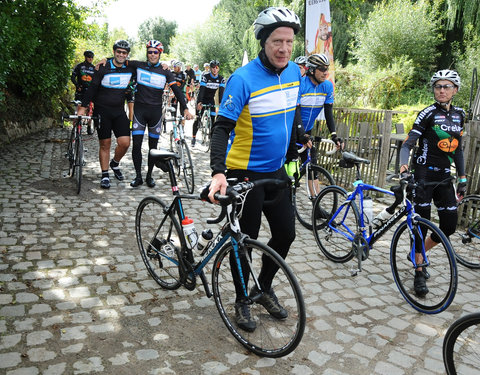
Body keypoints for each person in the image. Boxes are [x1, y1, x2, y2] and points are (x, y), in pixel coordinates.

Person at [207, 7, 302, 332]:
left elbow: (293, 115)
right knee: (244, 241)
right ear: (264, 41)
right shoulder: (243, 78)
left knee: (286, 234)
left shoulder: (294, 73)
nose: (284, 49)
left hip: (276, 173)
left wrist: (294, 155)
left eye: (289, 42)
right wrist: (218, 171)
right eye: (278, 41)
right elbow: (220, 129)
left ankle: (261, 288)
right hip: (243, 174)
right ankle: (241, 300)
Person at [399, 69, 466, 296]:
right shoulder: (427, 113)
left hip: (445, 177)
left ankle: (417, 254)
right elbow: (408, 144)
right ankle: (419, 269)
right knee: (421, 224)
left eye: (447, 86)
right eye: (438, 86)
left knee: (449, 226)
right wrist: (404, 167)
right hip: (424, 176)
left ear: (455, 90)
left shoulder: (459, 115)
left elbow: (457, 150)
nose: (442, 90)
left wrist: (463, 177)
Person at [125, 41, 193, 188]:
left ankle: (149, 176)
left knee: (153, 147)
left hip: (155, 113)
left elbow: (177, 92)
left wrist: (185, 108)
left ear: (160, 54)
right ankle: (138, 176)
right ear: (146, 53)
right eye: (150, 52)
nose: (152, 55)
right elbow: (119, 60)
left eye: (155, 52)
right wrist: (105, 60)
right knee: (136, 145)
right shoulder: (138, 65)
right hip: (139, 111)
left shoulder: (166, 71)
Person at [78, 40, 135, 189]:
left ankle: (114, 163)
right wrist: (83, 107)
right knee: (105, 144)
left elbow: (148, 65)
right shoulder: (103, 67)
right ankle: (105, 175)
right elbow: (92, 88)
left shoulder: (130, 68)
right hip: (102, 111)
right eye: (118, 52)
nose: (121, 55)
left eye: (124, 53)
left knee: (125, 143)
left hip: (118, 111)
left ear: (127, 55)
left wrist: (164, 65)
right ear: (114, 52)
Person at [288, 53, 342, 192]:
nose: (326, 72)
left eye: (327, 69)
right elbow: (296, 112)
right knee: (289, 167)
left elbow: (328, 113)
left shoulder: (327, 87)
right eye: (322, 69)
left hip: (307, 131)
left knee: (312, 165)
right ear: (312, 70)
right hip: (291, 130)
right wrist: (300, 134)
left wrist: (334, 134)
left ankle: (316, 200)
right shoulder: (301, 84)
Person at [191, 60, 225, 147]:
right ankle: (194, 137)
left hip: (211, 100)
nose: (214, 69)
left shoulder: (221, 79)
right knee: (198, 118)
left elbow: (221, 92)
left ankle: (211, 139)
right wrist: (199, 102)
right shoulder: (205, 77)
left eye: (216, 68)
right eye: (213, 67)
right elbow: (202, 90)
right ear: (210, 68)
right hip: (202, 99)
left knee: (213, 119)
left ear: (218, 69)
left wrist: (221, 103)